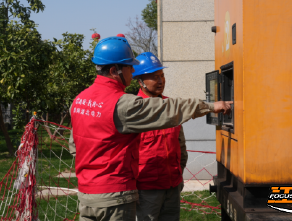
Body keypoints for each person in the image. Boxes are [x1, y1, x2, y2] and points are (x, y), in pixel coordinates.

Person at [70, 36, 232, 221]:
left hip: (88, 195)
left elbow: (75, 146)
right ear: (115, 70)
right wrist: (210, 106)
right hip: (115, 197)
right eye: (129, 67)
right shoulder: (123, 104)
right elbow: (170, 110)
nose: (132, 71)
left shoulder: (80, 101)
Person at [132, 52, 187, 221]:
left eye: (162, 76)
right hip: (146, 190)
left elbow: (181, 147)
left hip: (172, 186)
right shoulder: (133, 111)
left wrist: (178, 176)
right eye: (155, 77)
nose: (161, 81)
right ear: (140, 81)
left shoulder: (171, 106)